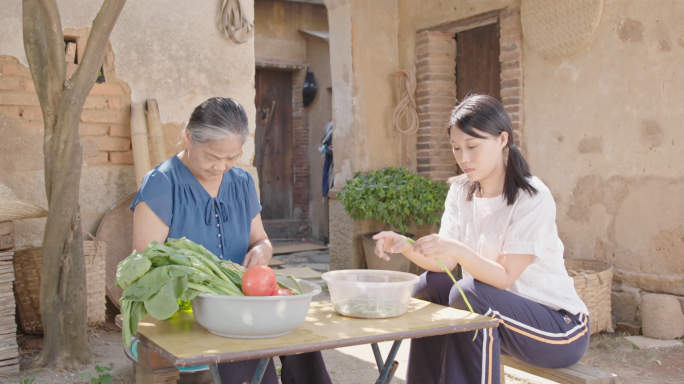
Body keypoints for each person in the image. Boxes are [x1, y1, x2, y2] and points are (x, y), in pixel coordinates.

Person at [373, 94, 589, 384]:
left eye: (473, 146)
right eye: (456, 148)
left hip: (557, 328)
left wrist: (459, 251)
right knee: (431, 286)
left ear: (502, 140)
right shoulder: (461, 191)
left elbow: (503, 277)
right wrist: (406, 246)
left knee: (471, 292)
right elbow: (446, 262)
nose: (464, 157)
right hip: (499, 314)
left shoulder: (532, 197)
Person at [131, 97, 332, 384]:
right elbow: (144, 266)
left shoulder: (241, 183)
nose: (222, 166)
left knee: (301, 342)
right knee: (241, 357)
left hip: (241, 302)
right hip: (188, 311)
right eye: (212, 157)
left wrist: (261, 252)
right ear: (189, 138)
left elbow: (260, 240)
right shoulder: (162, 183)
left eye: (232, 157)